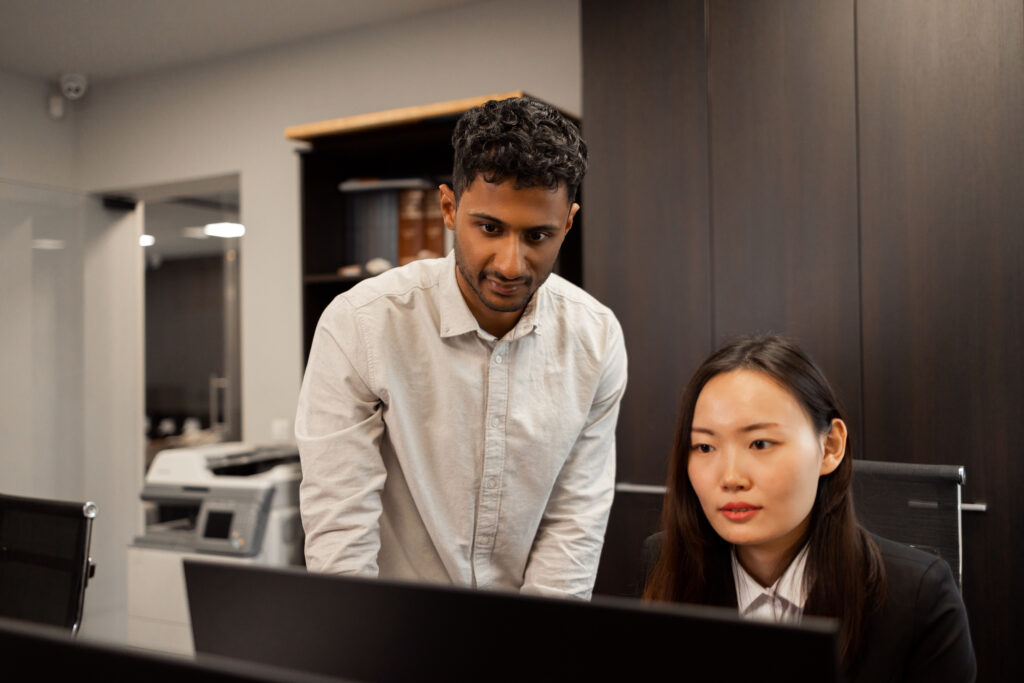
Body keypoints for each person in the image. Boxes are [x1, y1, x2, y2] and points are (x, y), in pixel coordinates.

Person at [295, 96, 627, 599]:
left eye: (539, 235)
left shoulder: (596, 339)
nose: (512, 264)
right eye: (490, 229)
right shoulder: (361, 324)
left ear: (569, 223)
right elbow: (340, 530)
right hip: (390, 632)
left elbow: (573, 522)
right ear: (449, 208)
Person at [644, 335, 975, 682]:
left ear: (830, 447)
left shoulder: (919, 599)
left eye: (760, 443)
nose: (730, 478)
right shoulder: (666, 562)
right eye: (705, 446)